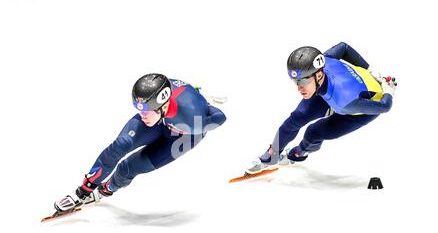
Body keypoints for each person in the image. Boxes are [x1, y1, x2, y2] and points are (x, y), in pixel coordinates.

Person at [54, 73, 226, 212]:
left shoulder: (192, 118)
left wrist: (205, 107)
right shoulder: (152, 105)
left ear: (163, 106)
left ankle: (106, 190)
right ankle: (83, 193)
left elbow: (221, 117)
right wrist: (84, 190)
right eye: (139, 110)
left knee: (128, 168)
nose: (142, 115)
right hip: (161, 120)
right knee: (120, 146)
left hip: (183, 136)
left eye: (146, 111)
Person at [247, 42, 397, 174]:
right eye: (296, 81)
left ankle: (298, 153)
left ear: (318, 75)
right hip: (330, 91)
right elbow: (343, 47)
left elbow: (384, 106)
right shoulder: (324, 62)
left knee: (314, 132)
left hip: (359, 108)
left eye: (304, 81)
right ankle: (273, 155)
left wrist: (388, 90)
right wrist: (369, 68)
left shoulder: (345, 100)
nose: (299, 88)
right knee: (297, 117)